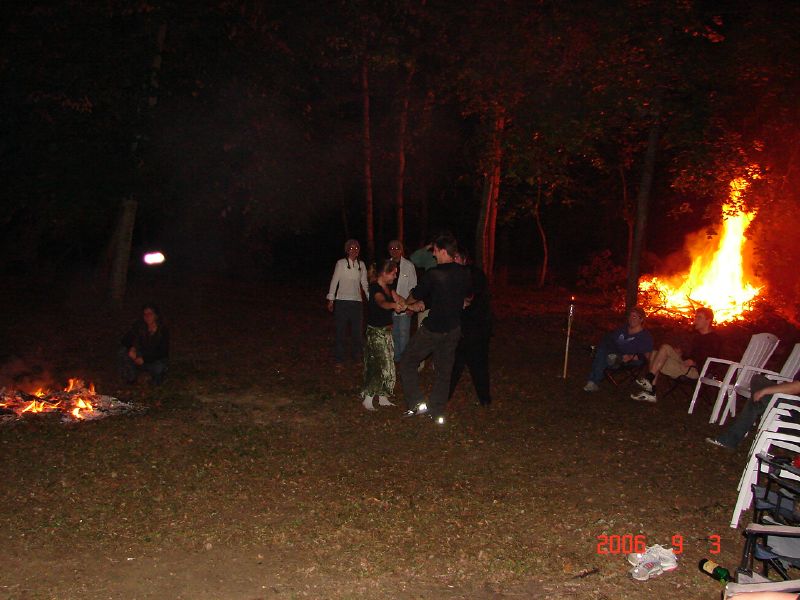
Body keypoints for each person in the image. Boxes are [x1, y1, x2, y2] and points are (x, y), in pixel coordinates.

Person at [398, 233, 471, 425]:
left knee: (406, 361)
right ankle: (436, 411)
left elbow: (416, 294)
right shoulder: (464, 273)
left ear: (443, 251)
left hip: (433, 330)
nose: (434, 255)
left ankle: (416, 404)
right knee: (444, 372)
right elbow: (453, 296)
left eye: (436, 251)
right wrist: (426, 304)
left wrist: (405, 303)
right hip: (453, 329)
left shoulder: (434, 274)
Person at [631, 306, 721, 403]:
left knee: (660, 353)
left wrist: (695, 362)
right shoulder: (697, 337)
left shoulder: (714, 339)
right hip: (686, 365)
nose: (695, 320)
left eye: (699, 318)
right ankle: (650, 386)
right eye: (695, 317)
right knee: (655, 352)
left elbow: (712, 360)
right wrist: (681, 354)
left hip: (697, 371)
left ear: (708, 320)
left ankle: (650, 386)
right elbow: (692, 355)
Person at [448, 247, 492, 407]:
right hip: (463, 328)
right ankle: (444, 397)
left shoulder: (473, 274)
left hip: (477, 328)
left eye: (457, 257)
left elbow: (471, 297)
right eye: (453, 258)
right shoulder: (456, 274)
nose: (454, 260)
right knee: (455, 363)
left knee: (478, 364)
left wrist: (462, 301)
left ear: (464, 258)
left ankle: (485, 399)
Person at [361, 260, 406, 410]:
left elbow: (397, 297)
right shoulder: (375, 288)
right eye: (393, 273)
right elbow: (381, 303)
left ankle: (382, 397)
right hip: (375, 332)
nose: (395, 276)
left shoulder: (388, 287)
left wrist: (407, 303)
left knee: (388, 364)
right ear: (385, 273)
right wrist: (394, 306)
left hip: (386, 332)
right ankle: (368, 398)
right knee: (380, 365)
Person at [707, 377, 800, 449]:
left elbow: (796, 387)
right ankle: (758, 407)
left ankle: (757, 408)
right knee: (759, 382)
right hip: (792, 405)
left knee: (759, 383)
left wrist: (764, 391)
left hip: (795, 415)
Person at [584, 306, 654, 392]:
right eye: (630, 316)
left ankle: (592, 381)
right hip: (614, 351)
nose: (631, 319)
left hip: (628, 359)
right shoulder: (623, 329)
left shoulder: (645, 336)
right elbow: (611, 339)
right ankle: (608, 358)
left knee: (601, 354)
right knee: (604, 347)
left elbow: (646, 355)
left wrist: (631, 357)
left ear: (641, 319)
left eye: (634, 316)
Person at [327, 239, 369, 366]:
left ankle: (357, 356)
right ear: (347, 250)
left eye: (357, 248)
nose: (354, 250)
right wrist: (331, 299)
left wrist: (371, 298)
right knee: (341, 331)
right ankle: (339, 358)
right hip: (342, 302)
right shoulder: (340, 263)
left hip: (356, 302)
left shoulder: (361, 265)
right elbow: (334, 281)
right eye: (351, 248)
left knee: (357, 332)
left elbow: (365, 283)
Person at [119, 303, 169, 385]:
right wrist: (131, 348)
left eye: (150, 314)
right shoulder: (140, 326)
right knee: (122, 352)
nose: (147, 316)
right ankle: (131, 378)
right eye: (145, 314)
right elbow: (125, 339)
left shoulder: (163, 330)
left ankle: (154, 380)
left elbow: (162, 352)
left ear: (156, 316)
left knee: (159, 367)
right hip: (141, 354)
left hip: (154, 359)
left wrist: (145, 359)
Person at [387, 239, 417, 362]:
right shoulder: (386, 265)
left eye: (397, 248)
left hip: (405, 305)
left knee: (404, 334)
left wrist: (411, 306)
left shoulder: (409, 266)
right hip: (390, 306)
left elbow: (414, 287)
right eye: (392, 249)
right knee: (393, 334)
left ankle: (404, 360)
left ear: (401, 250)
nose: (394, 251)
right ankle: (395, 358)